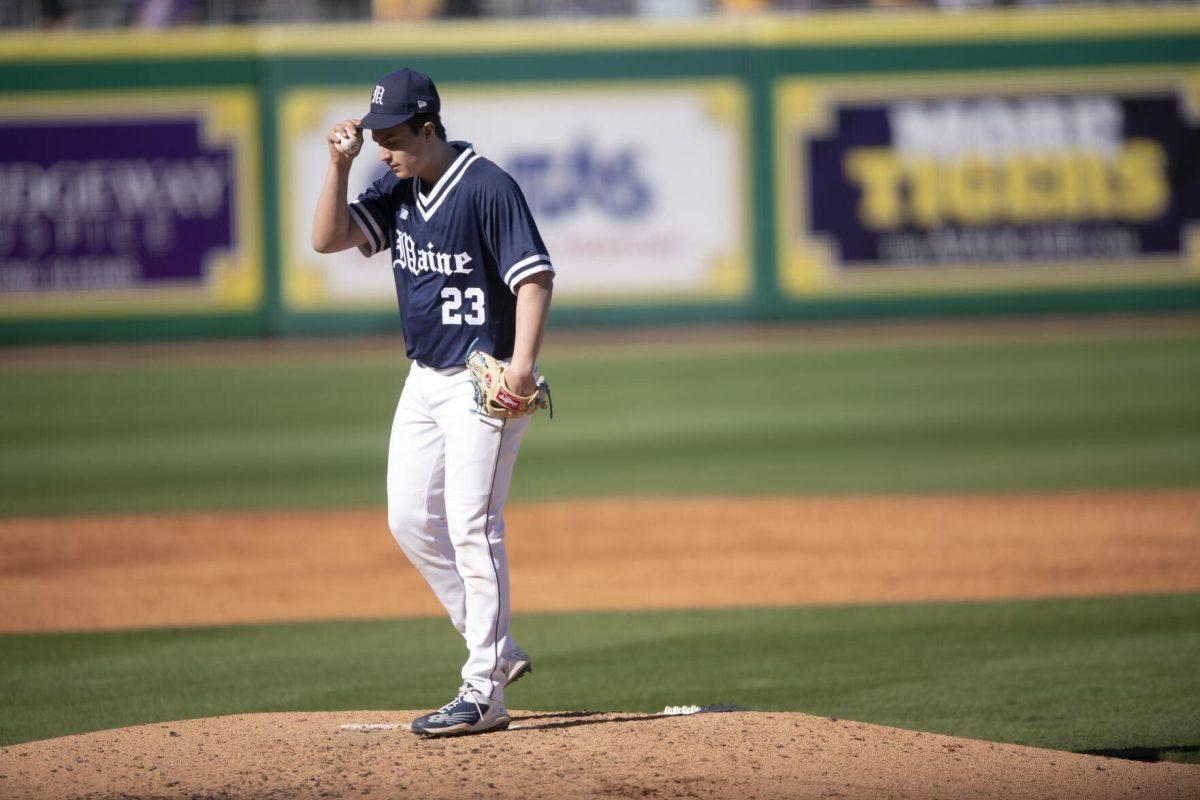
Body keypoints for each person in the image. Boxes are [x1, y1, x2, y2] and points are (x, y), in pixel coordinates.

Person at [311, 68, 554, 737]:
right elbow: (328, 239)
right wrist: (338, 166)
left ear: (427, 127)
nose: (380, 146)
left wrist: (522, 368)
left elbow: (535, 278)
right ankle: (497, 649)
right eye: (373, 134)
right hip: (423, 377)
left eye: (391, 135)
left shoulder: (486, 186)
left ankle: (482, 692)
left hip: (483, 379)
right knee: (410, 520)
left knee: (473, 526)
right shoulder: (396, 186)